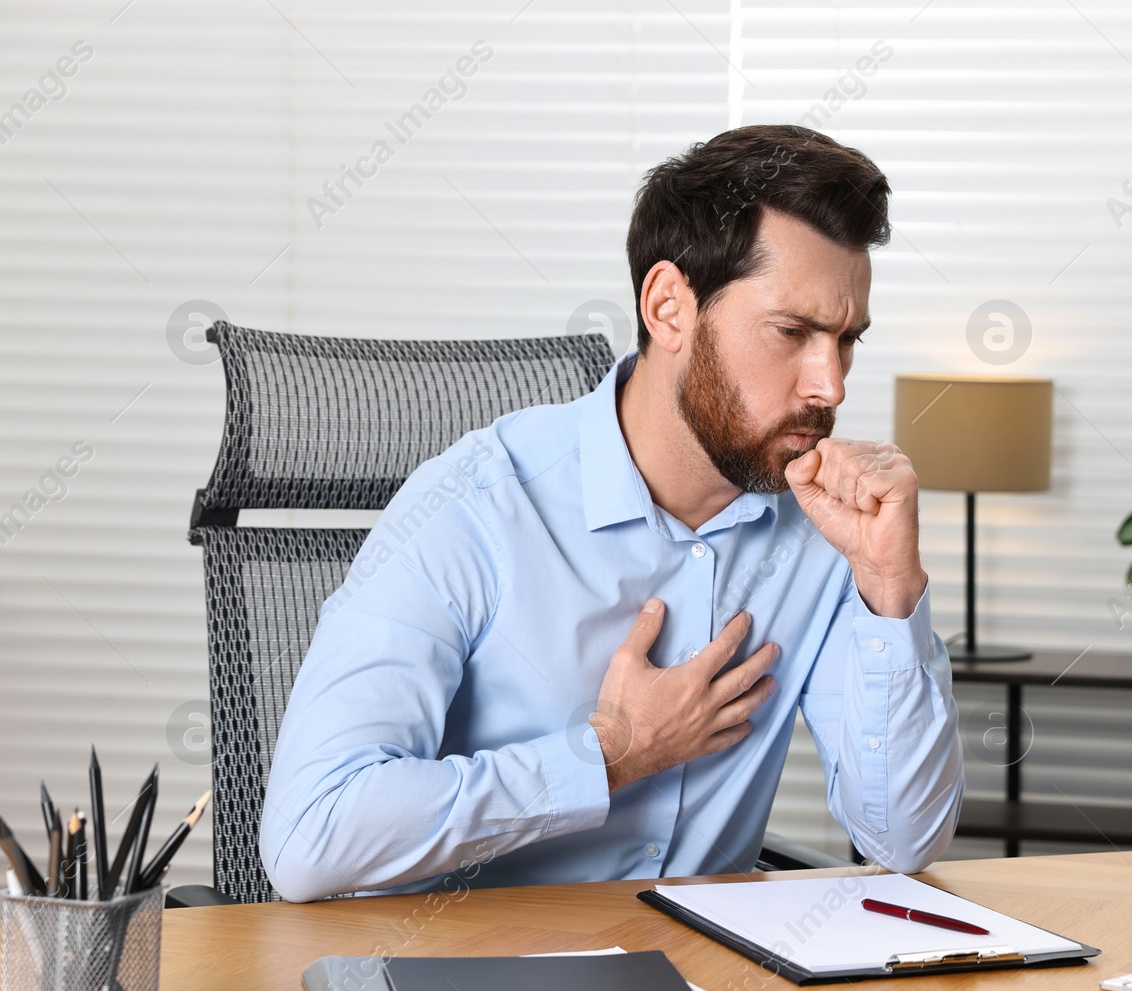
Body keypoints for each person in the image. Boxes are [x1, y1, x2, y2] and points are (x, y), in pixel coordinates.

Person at [260, 125, 964, 902]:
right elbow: (311, 835)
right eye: (792, 332)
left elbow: (906, 840)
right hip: (462, 990)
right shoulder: (472, 507)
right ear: (669, 307)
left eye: (846, 341)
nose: (828, 386)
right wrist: (607, 754)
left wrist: (889, 595)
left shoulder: (825, 528)